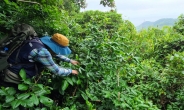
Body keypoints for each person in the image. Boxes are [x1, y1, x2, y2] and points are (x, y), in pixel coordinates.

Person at [1, 33, 79, 86]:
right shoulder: (43, 52)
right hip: (12, 74)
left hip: (10, 63)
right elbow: (57, 70)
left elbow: (55, 54)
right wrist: (71, 71)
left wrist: (70, 60)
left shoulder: (37, 41)